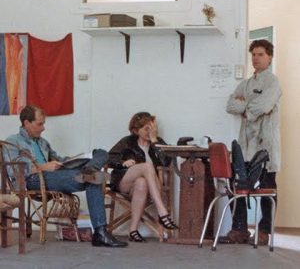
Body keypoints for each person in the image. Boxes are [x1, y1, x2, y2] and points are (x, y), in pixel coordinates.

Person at [6, 105, 127, 248]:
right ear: (26, 123)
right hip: (34, 179)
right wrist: (43, 167)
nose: (44, 128)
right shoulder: (13, 141)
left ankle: (90, 167)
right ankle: (100, 232)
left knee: (101, 153)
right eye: (40, 124)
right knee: (93, 177)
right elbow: (14, 170)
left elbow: (59, 159)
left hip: (54, 175)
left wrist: (76, 159)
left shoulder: (43, 143)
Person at [221, 39, 282, 245]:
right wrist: (249, 107)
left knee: (267, 187)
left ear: (270, 57)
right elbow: (230, 104)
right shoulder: (245, 84)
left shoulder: (272, 82)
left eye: (261, 54)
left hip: (266, 146)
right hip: (245, 146)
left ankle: (264, 231)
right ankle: (239, 229)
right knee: (236, 186)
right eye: (253, 54)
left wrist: (246, 107)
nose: (256, 58)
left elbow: (263, 106)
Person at [108, 112, 178, 242]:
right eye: (146, 129)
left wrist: (154, 141)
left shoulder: (158, 142)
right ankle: (162, 212)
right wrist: (123, 162)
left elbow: (166, 162)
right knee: (146, 166)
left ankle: (133, 230)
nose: (150, 132)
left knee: (142, 182)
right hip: (125, 182)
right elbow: (109, 156)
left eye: (152, 128)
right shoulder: (127, 142)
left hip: (145, 188)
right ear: (136, 130)